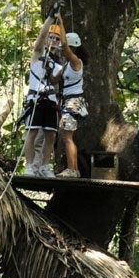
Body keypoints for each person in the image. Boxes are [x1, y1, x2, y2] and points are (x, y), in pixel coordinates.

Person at [22, 12, 64, 179]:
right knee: (32, 132)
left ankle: (44, 166)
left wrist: (61, 23)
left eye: (56, 38)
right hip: (36, 99)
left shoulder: (58, 64)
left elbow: (55, 84)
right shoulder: (38, 55)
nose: (53, 41)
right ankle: (30, 165)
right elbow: (40, 38)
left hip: (50, 100)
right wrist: (50, 20)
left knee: (51, 135)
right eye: (51, 37)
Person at [54, 15, 89, 178]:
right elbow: (55, 79)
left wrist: (61, 23)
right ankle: (73, 169)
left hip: (73, 102)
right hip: (68, 102)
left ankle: (72, 170)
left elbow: (65, 47)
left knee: (67, 137)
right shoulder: (67, 65)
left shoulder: (76, 62)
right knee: (67, 136)